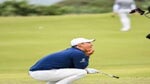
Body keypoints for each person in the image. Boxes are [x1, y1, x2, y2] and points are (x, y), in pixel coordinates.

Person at [29, 37, 99, 84]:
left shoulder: (74, 51)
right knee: (82, 72)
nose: (91, 45)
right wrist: (87, 56)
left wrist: (86, 57)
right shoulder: (77, 53)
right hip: (41, 72)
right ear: (80, 45)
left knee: (77, 72)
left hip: (39, 72)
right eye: (88, 43)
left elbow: (74, 68)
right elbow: (81, 68)